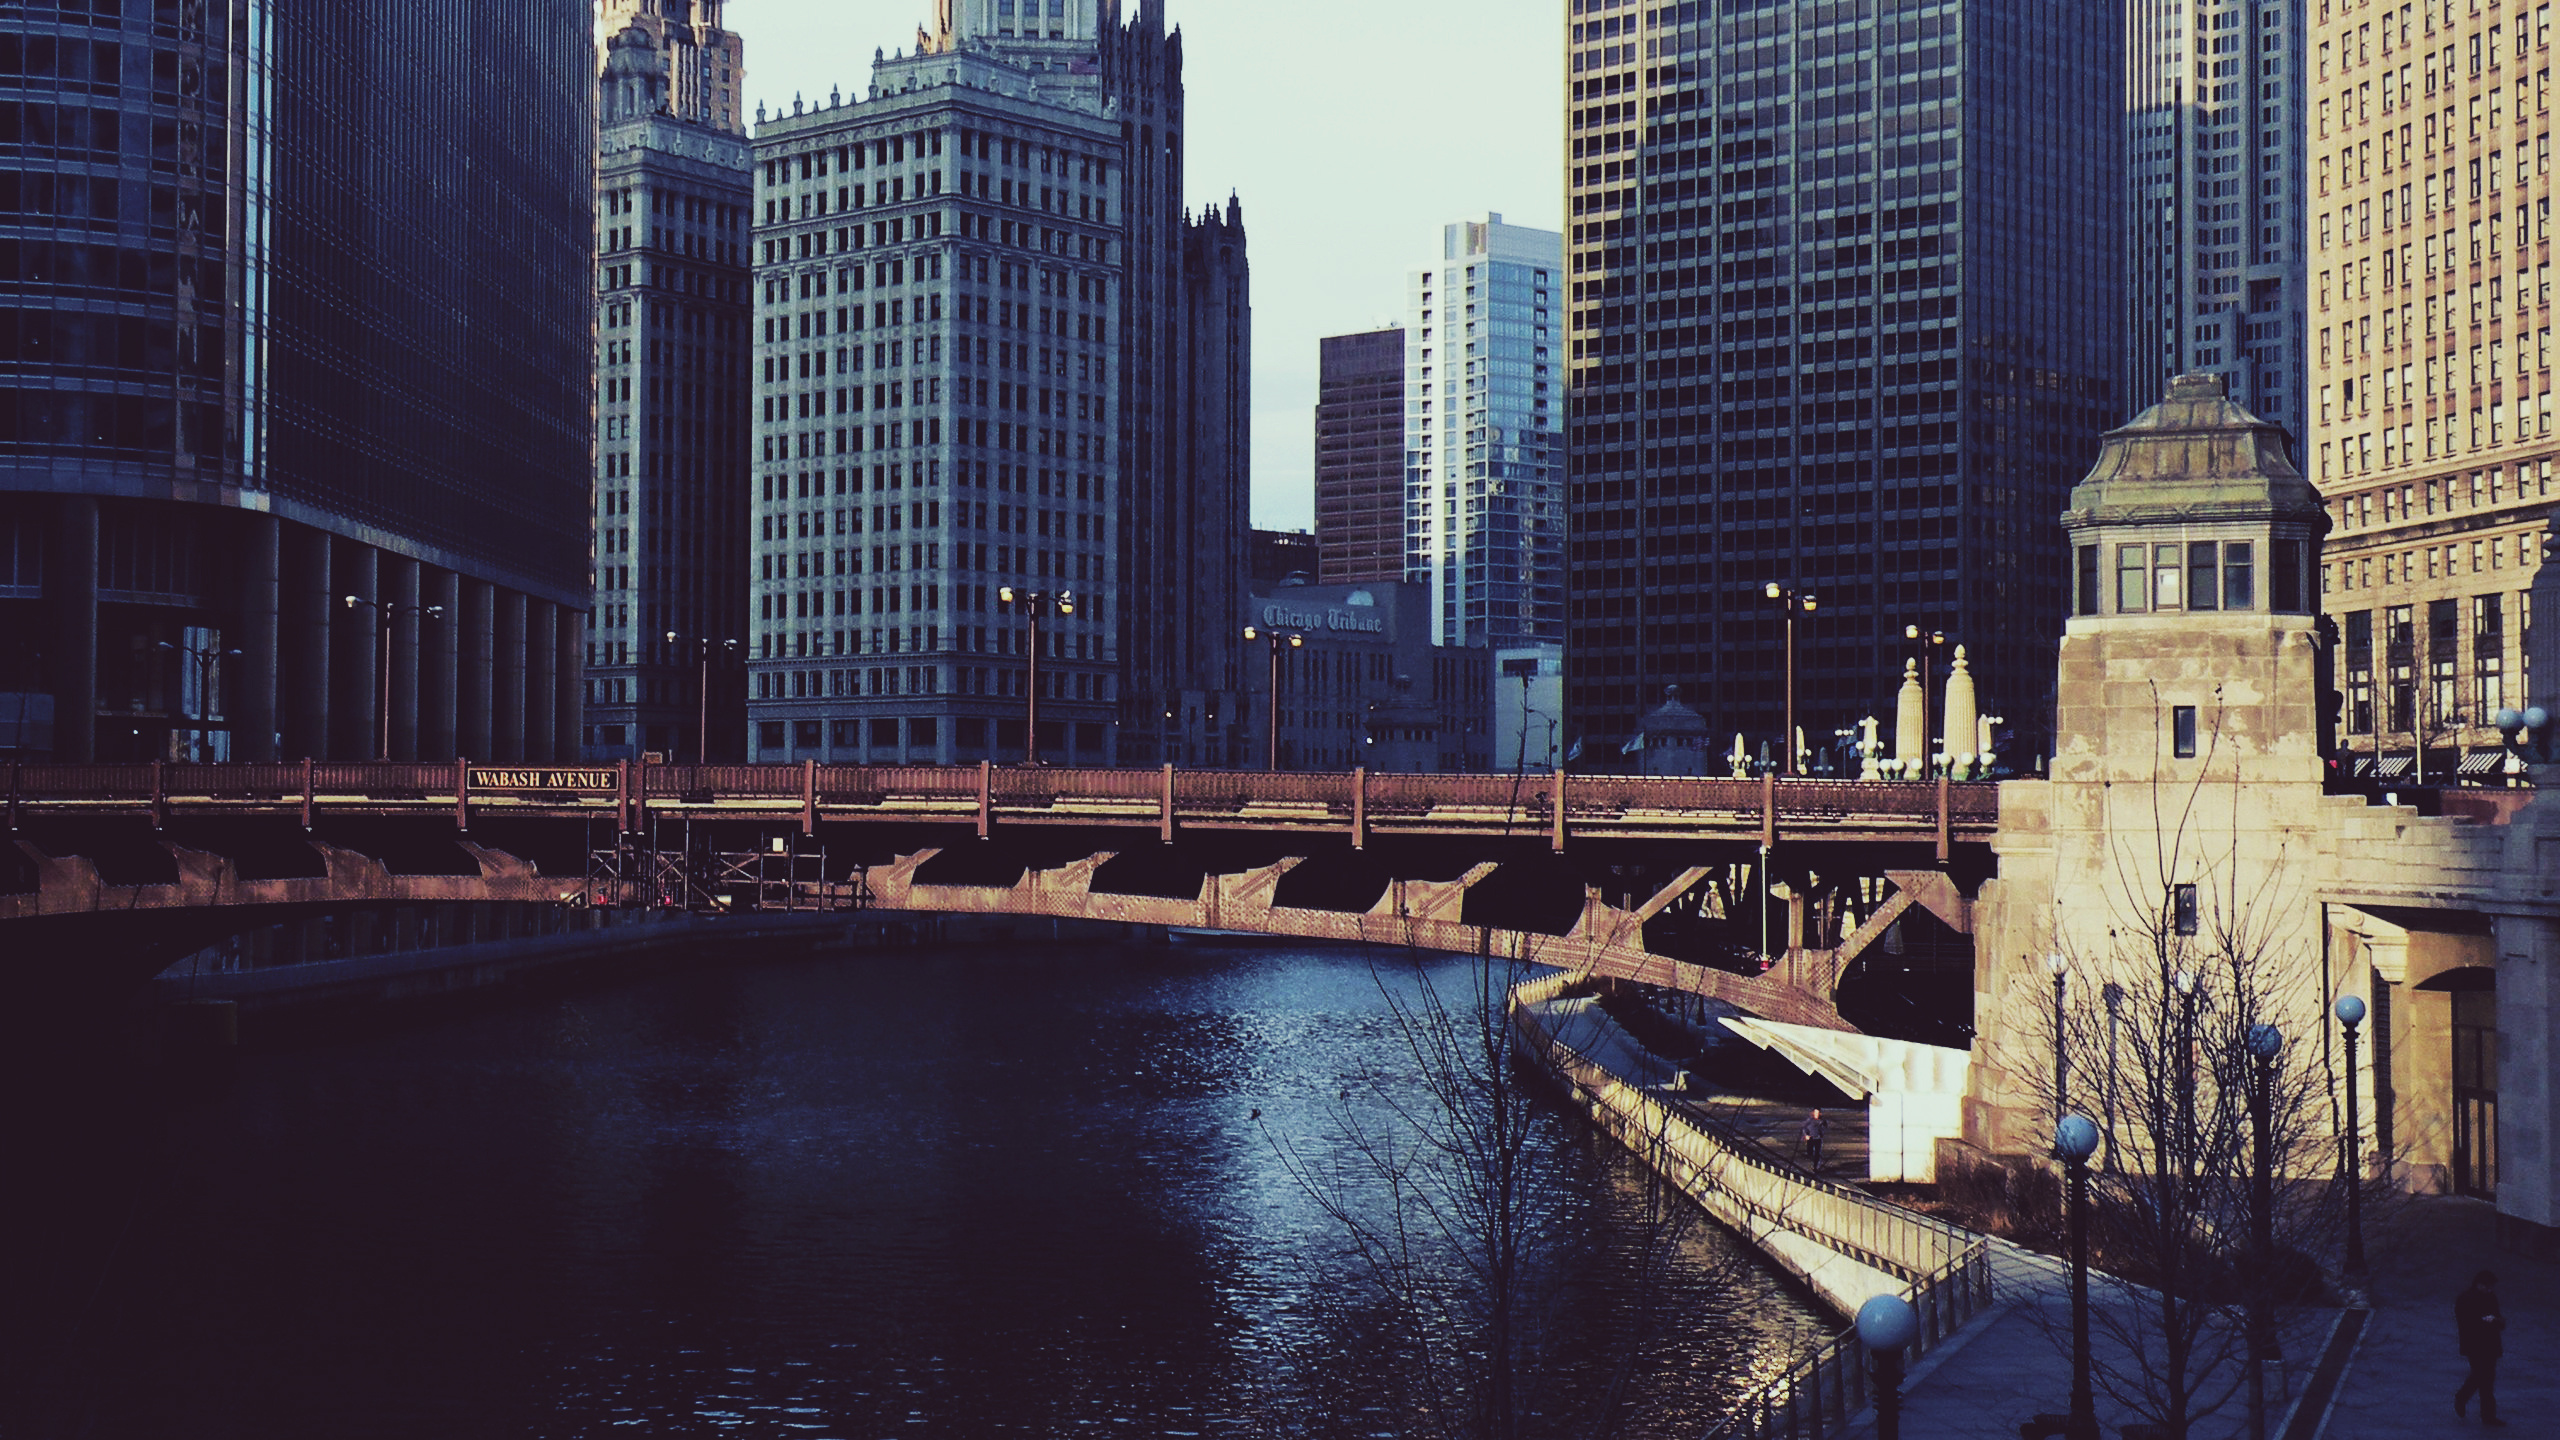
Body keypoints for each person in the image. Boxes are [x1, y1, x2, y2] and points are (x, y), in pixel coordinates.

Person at [2454, 1268, 2506, 1425]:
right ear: (2479, 1284)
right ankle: (2463, 1399)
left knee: (2486, 1380)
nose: (2490, 1289)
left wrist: (2495, 1321)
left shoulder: (2490, 1297)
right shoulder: (2466, 1299)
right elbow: (2465, 1323)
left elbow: (2499, 1319)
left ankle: (2487, 1415)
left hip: (2489, 1344)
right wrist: (2487, 1322)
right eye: (2487, 1286)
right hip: (2475, 1345)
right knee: (2480, 1376)